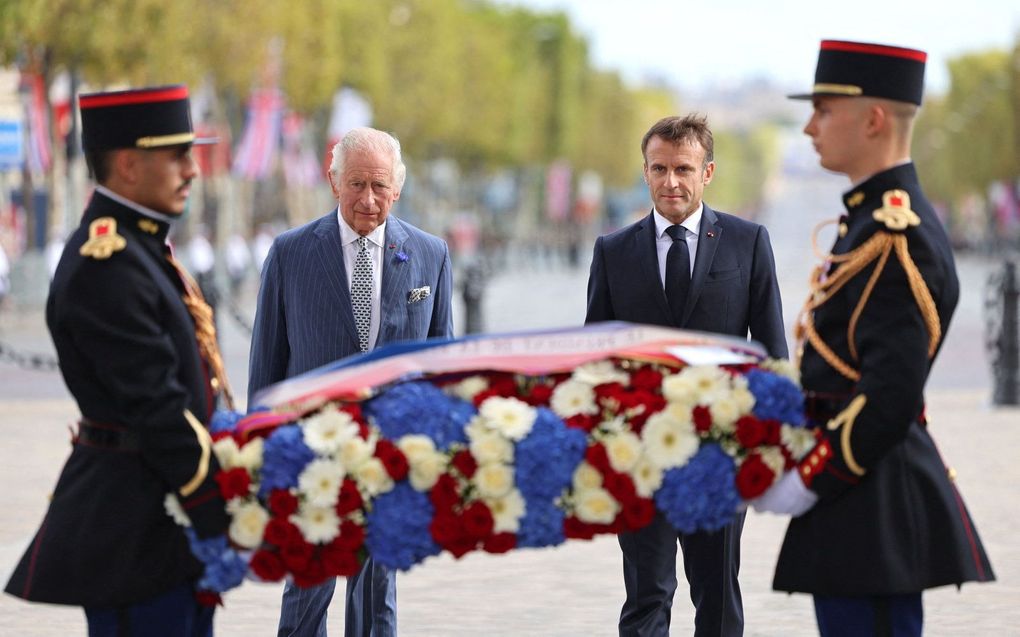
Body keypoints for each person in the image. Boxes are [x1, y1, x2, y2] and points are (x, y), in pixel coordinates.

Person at [750, 40, 996, 636]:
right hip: (861, 512)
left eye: (824, 110)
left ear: (874, 119)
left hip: (870, 506)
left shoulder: (895, 232)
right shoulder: (868, 219)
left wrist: (811, 475)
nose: (809, 126)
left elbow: (889, 393)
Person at [4, 85, 232, 635]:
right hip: (135, 532)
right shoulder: (106, 261)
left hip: (163, 523)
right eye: (177, 155)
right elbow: (154, 405)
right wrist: (220, 506)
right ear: (128, 165)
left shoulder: (138, 248)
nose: (192, 170)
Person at [585, 113, 788, 637]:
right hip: (640, 457)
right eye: (659, 169)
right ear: (645, 172)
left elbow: (770, 354)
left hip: (719, 459)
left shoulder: (748, 242)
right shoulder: (613, 252)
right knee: (647, 597)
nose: (670, 181)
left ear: (708, 172)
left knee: (718, 599)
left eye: (683, 169)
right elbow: (594, 360)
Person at [248, 126, 454, 637]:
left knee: (377, 593)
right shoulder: (291, 253)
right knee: (306, 589)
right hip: (311, 451)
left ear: (398, 188)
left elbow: (441, 367)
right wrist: (260, 448)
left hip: (390, 453)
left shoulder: (431, 255)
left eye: (379, 186)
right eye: (356, 184)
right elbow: (266, 361)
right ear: (334, 181)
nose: (368, 199)